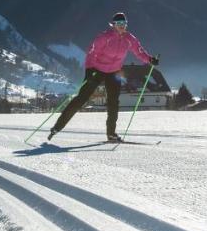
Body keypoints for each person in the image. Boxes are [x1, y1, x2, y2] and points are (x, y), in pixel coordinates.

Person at [49, 12, 159, 143]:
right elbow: (91, 53)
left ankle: (111, 134)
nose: (122, 26)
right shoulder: (104, 37)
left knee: (113, 103)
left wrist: (150, 59)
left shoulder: (129, 38)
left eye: (124, 24)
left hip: (114, 72)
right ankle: (57, 127)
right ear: (113, 25)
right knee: (81, 99)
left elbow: (138, 51)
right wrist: (89, 71)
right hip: (96, 70)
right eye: (119, 24)